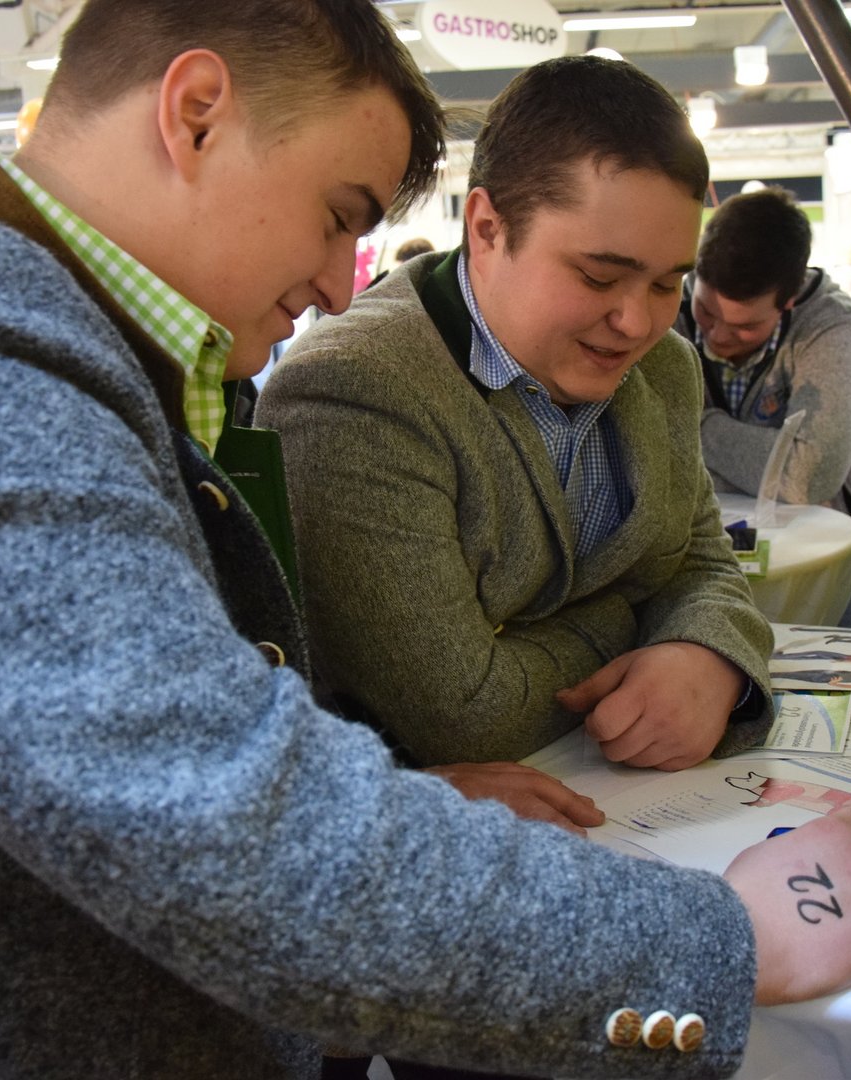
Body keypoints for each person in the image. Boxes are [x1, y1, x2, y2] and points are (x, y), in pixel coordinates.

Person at [0, 5, 851, 1078]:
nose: (345, 287)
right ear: (195, 114)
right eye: (339, 214)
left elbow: (149, 765)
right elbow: (223, 833)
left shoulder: (34, 340)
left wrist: (397, 794)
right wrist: (720, 942)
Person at [257, 57, 776, 793]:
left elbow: (701, 564)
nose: (637, 323)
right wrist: (643, 622)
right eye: (598, 276)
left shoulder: (667, 369)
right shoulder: (354, 392)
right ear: (487, 228)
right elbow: (465, 716)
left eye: (668, 283)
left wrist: (707, 656)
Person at [674, 188, 851, 629]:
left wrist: (695, 424)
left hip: (849, 565)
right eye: (706, 312)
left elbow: (808, 477)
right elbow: (651, 450)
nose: (717, 336)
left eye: (745, 326)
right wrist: (772, 456)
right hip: (717, 559)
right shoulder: (672, 309)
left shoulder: (836, 326)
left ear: (789, 298)